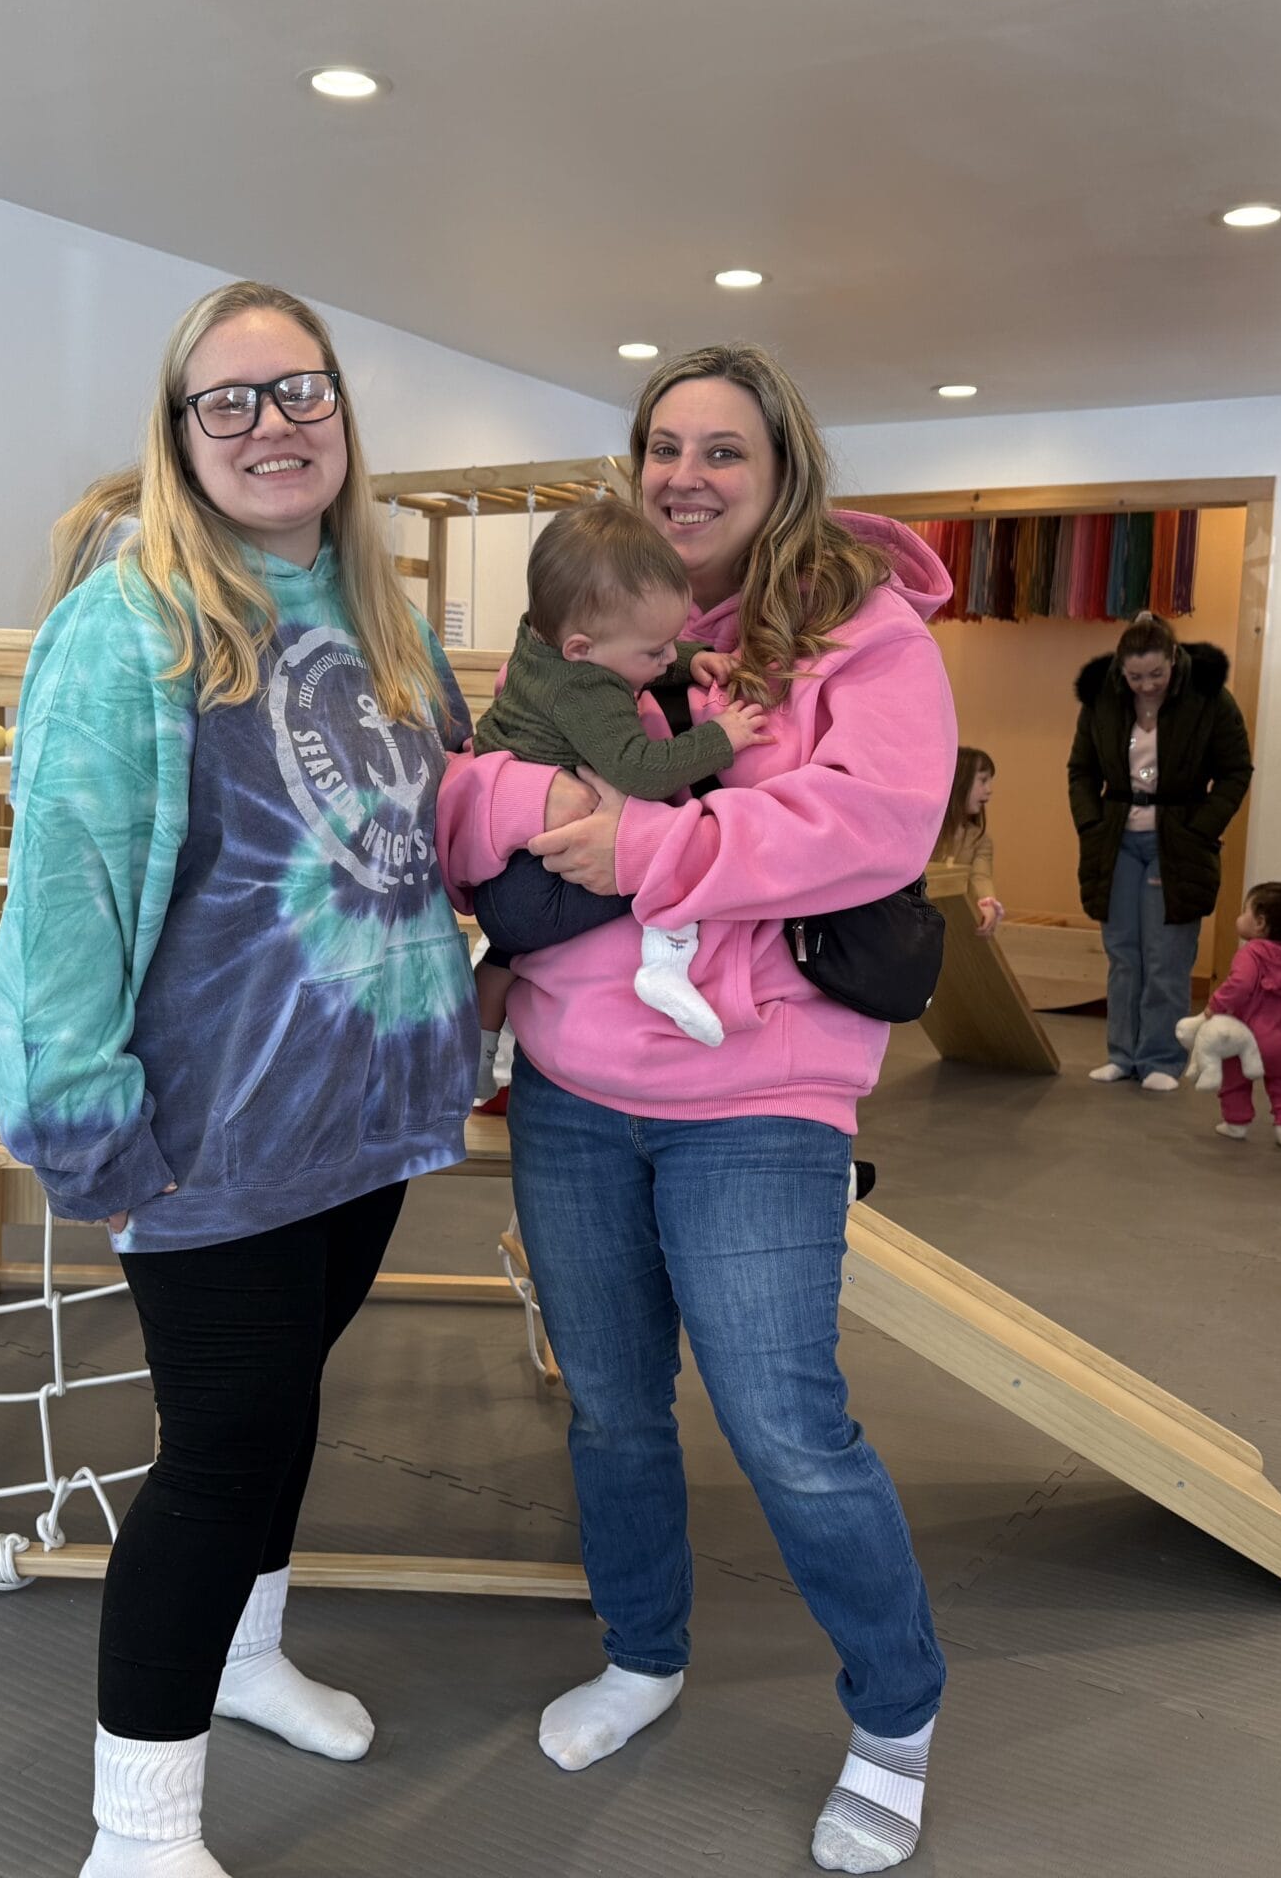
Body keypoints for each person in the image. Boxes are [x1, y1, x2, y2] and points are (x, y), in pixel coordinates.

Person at [436, 343, 954, 1874]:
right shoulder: (590, 615)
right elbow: (466, 791)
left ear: (785, 466)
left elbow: (872, 822)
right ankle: (644, 1652)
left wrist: (651, 843)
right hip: (575, 1083)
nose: (689, 475)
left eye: (724, 449)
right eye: (665, 445)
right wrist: (557, 815)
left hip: (763, 1092)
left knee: (790, 1427)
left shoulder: (859, 635)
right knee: (609, 1406)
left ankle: (898, 1715)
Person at [0, 281, 476, 1878]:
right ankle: (139, 1835)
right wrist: (93, 1141)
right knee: (216, 1461)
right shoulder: (128, 627)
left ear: (343, 415)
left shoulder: (380, 619)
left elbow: (424, 844)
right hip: (212, 1144)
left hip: (367, 1122)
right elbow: (61, 898)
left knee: (282, 1416)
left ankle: (252, 1658)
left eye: (302, 391)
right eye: (232, 400)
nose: (273, 426)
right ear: (181, 431)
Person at [467, 498, 767, 1078]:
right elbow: (641, 770)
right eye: (656, 652)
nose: (664, 659)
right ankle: (668, 961)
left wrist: (690, 657)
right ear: (581, 651)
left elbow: (625, 644)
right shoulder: (586, 690)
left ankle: (478, 1045)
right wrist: (722, 739)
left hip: (510, 883)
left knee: (509, 943)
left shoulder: (542, 642)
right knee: (669, 866)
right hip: (537, 889)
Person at [1068, 612, 1254, 1089]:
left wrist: (1200, 828)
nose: (1146, 686)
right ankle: (1122, 1054)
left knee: (1167, 956)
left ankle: (1160, 1059)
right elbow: (1081, 770)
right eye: (1135, 677)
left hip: (1178, 842)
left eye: (1156, 674)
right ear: (1120, 672)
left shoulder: (1209, 698)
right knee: (1124, 954)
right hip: (1117, 841)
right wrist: (1091, 824)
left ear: (1175, 660)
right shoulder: (1102, 700)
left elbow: (1235, 771)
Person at [1203, 880, 1281, 1146]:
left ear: (1260, 923)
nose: (1240, 916)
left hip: (1247, 1037)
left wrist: (1215, 1005)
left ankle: (1236, 1121)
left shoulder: (1251, 953)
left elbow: (1240, 985)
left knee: (1234, 1074)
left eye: (1246, 911)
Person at [933, 746, 1004, 935]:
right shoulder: (926, 829)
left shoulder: (980, 840)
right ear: (960, 781)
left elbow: (981, 877)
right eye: (983, 780)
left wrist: (987, 902)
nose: (989, 790)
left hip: (952, 923)